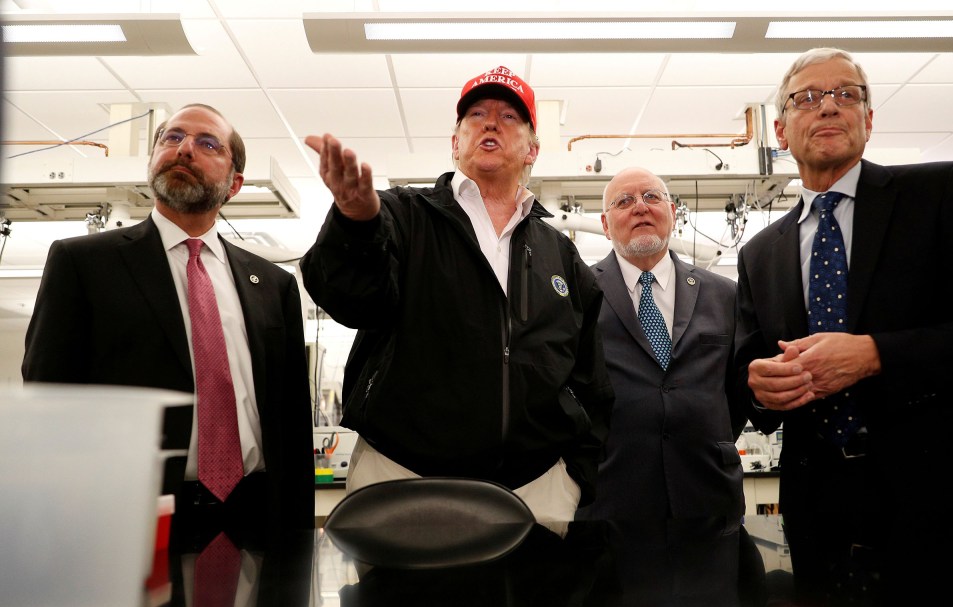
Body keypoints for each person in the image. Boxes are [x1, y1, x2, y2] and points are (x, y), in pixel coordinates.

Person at [735, 48, 953, 607]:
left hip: (943, 510)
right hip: (818, 516)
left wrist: (877, 354)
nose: (828, 106)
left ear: (869, 120)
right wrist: (758, 385)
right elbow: (748, 370)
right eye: (807, 98)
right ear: (780, 129)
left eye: (846, 94)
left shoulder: (944, 194)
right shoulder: (761, 253)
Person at [300, 65, 614, 524]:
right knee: (396, 600)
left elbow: (591, 381)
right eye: (477, 114)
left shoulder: (562, 256)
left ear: (533, 149)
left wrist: (575, 476)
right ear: (455, 142)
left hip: (537, 490)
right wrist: (355, 222)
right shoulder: (401, 215)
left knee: (539, 598)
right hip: (403, 477)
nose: (490, 123)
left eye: (509, 117)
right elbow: (349, 299)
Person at [22, 103, 315, 536]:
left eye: (207, 143)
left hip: (256, 511)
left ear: (234, 184)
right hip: (128, 515)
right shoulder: (84, 263)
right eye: (172, 138)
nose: (184, 149)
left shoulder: (272, 283)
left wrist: (297, 528)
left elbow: (291, 419)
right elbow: (49, 398)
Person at [576, 167, 746, 522]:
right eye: (624, 201)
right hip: (613, 501)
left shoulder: (725, 294)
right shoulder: (579, 295)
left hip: (709, 498)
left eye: (652, 197)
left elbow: (737, 391)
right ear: (605, 225)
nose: (640, 207)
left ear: (671, 213)